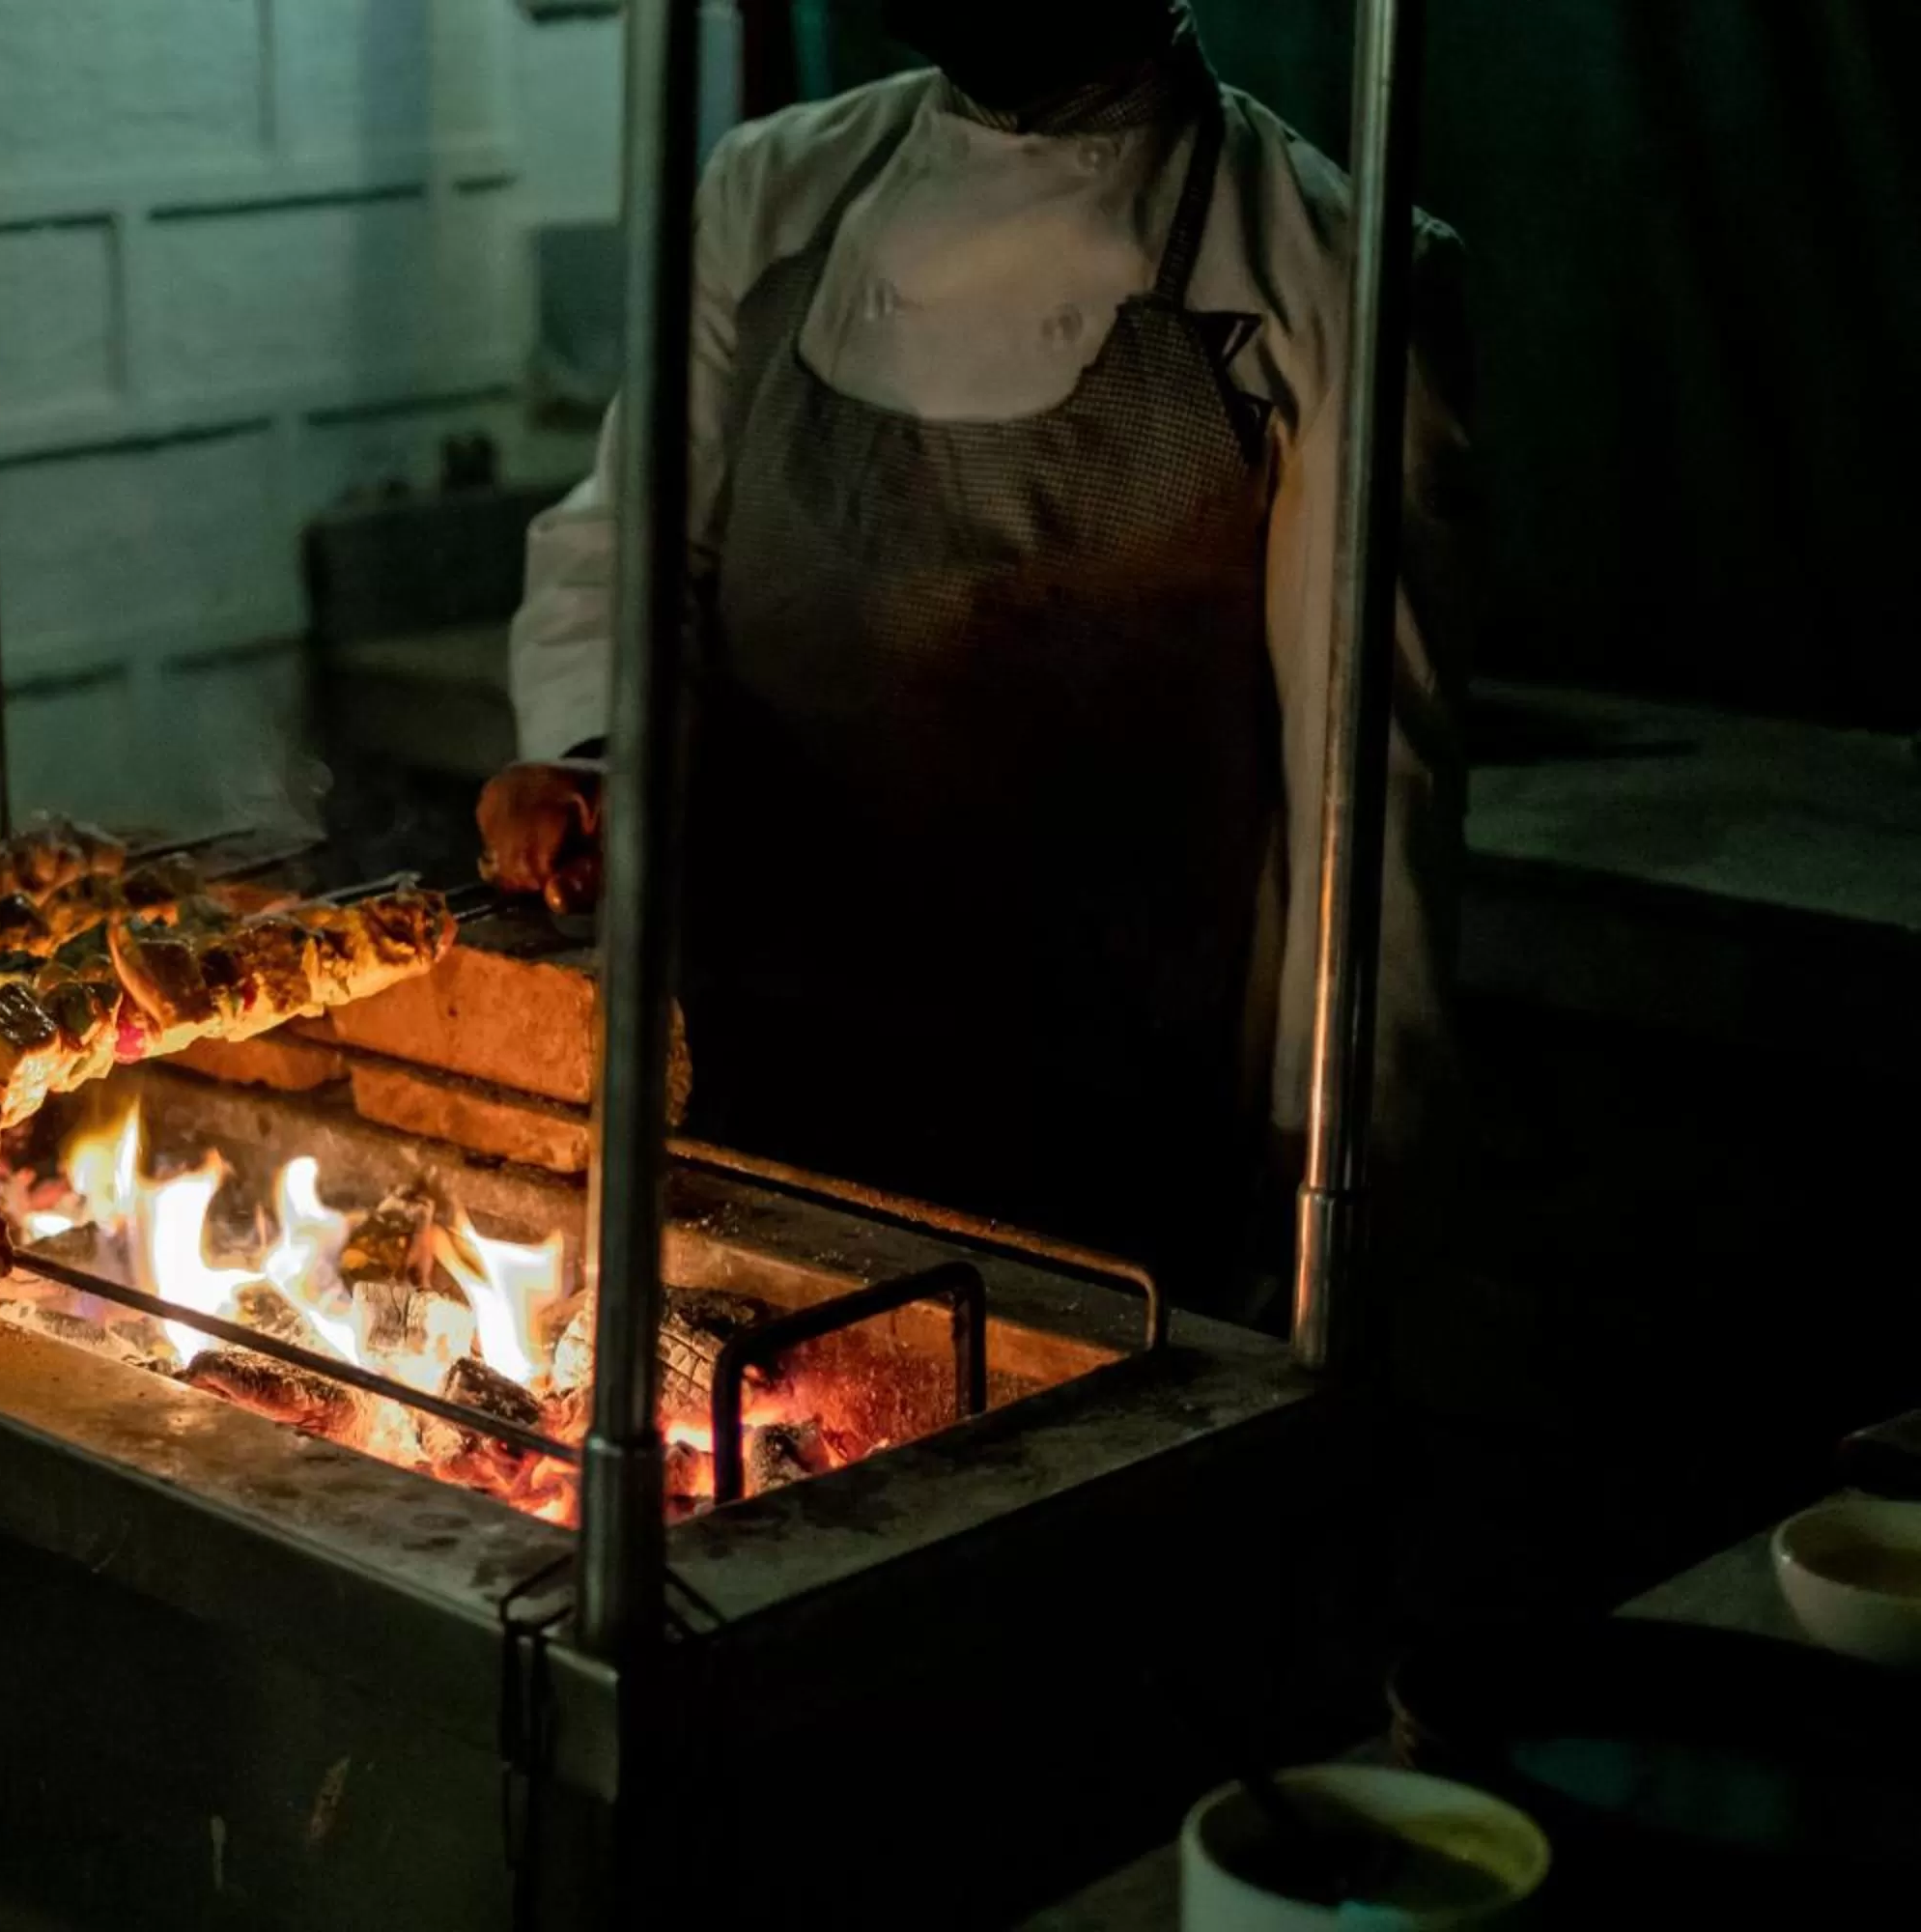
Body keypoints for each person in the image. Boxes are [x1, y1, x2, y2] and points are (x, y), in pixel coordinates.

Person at [481, 0, 1475, 1312]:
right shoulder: (777, 191)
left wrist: (1314, 1232)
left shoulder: (1329, 274)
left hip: (1096, 1149)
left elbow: (1370, 808)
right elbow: (628, 549)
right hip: (749, 1084)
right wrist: (593, 757)